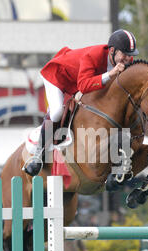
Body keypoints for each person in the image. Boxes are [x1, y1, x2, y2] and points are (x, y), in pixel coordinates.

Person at [24, 29, 140, 176]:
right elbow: (84, 85)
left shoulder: (124, 61)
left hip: (77, 82)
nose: (127, 59)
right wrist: (110, 74)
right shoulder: (93, 56)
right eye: (124, 54)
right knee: (57, 112)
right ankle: (38, 156)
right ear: (112, 51)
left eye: (130, 55)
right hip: (57, 77)